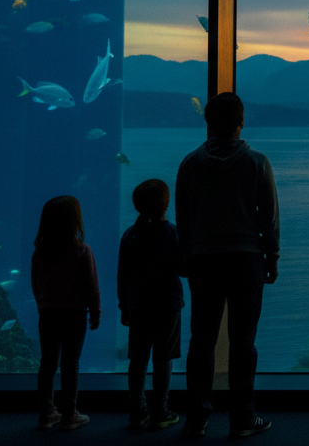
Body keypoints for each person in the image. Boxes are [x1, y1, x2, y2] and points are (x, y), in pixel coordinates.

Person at [176, 92, 279, 438]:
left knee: (201, 340)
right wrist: (272, 257)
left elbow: (183, 218)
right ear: (241, 122)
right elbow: (269, 217)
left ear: (208, 122)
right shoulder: (257, 162)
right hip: (246, 260)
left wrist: (187, 257)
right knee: (243, 341)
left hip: (204, 260)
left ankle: (196, 417)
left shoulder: (190, 164)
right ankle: (242, 418)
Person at [118, 179, 186, 430]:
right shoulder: (172, 233)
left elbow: (122, 275)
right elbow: (185, 269)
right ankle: (160, 410)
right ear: (166, 204)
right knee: (163, 357)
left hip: (138, 306)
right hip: (167, 305)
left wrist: (124, 305)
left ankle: (137, 410)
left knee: (137, 359)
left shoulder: (130, 235)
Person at [31, 195, 100, 431]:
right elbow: (92, 284)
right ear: (75, 220)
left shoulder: (40, 251)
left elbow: (35, 283)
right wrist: (96, 311)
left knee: (47, 362)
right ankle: (70, 414)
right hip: (75, 313)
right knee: (71, 363)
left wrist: (42, 304)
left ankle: (46, 413)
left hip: (48, 312)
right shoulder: (82, 250)